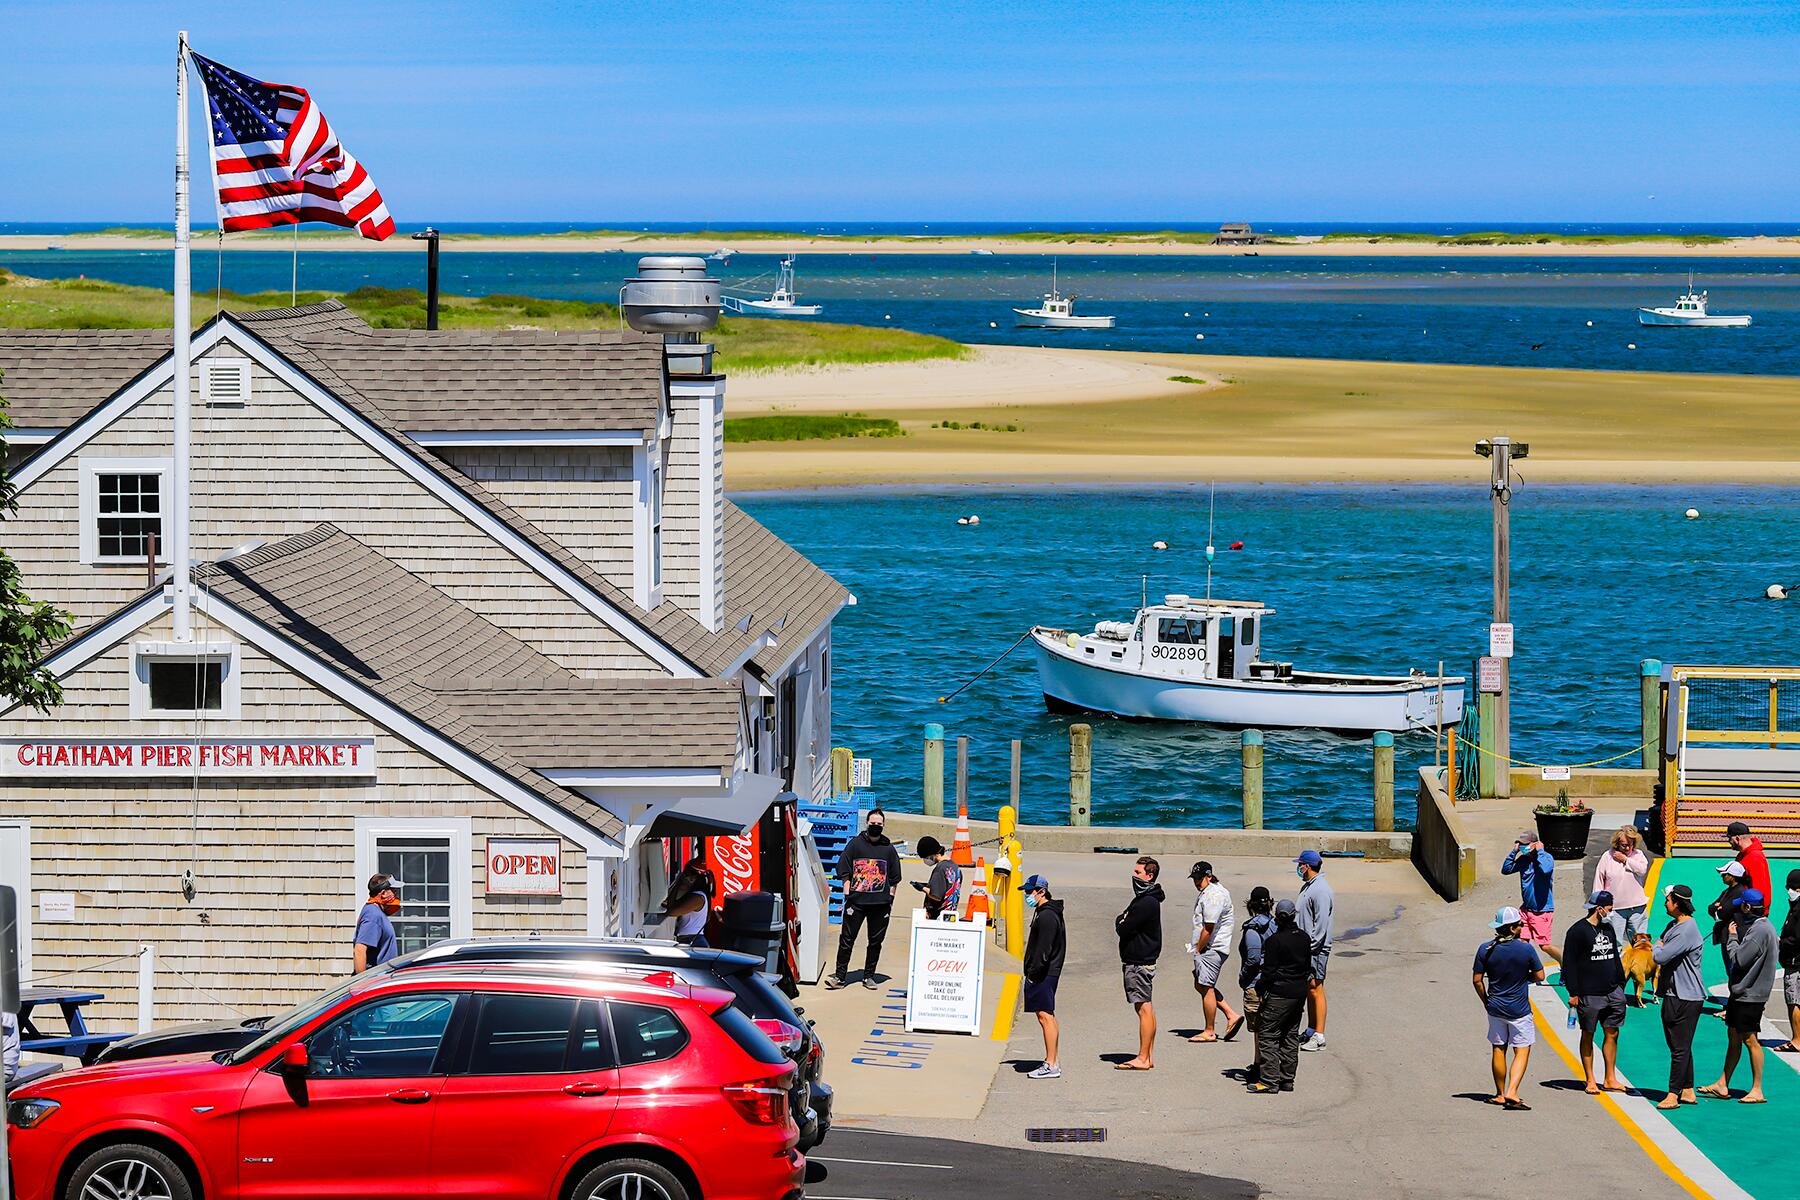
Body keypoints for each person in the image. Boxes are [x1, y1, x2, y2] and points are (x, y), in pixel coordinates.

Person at [1701, 888, 1777, 1103]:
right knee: (1733, 1036)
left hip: (1750, 995)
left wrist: (1732, 937)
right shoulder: (1760, 927)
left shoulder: (1759, 931)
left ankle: (1757, 1089)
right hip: (1742, 991)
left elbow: (1739, 959)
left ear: (1747, 907)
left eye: (1740, 905)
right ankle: (1722, 1083)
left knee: (1750, 1039)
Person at [1473, 906, 1547, 1111]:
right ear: (1513, 928)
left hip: (1495, 1007)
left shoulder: (1485, 949)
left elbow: (1477, 980)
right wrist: (1525, 977)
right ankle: (1512, 1092)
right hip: (1519, 1009)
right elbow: (1540, 976)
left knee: (1498, 1048)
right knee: (1521, 1050)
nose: (1522, 927)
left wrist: (1486, 1000)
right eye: (1520, 925)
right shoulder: (1525, 949)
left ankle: (1499, 1094)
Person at [826, 808, 903, 990]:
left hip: (880, 905)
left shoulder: (889, 848)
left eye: (879, 824)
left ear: (883, 826)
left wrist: (890, 899)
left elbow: (895, 877)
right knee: (846, 940)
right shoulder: (856, 844)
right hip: (857, 903)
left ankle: (869, 976)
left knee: (875, 942)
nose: (875, 826)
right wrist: (848, 892)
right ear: (866, 823)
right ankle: (840, 976)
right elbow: (843, 868)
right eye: (872, 823)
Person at [1562, 890, 1627, 1094]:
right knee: (1588, 1034)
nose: (1612, 910)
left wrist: (1620, 983)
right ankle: (1590, 1079)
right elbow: (1569, 964)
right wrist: (1573, 992)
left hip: (1612, 992)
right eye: (1609, 907)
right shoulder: (1577, 931)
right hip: (1589, 993)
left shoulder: (1608, 928)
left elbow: (1615, 955)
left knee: (1612, 1032)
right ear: (1598, 909)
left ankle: (1610, 1078)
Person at [1247, 899, 1313, 1095]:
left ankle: (1269, 1080)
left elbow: (1268, 972)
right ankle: (1287, 1079)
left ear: (1277, 917)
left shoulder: (1274, 941)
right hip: (1299, 993)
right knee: (1290, 1035)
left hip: (1279, 994)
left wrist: (1259, 988)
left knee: (1268, 1034)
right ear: (1294, 915)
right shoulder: (1304, 938)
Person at [1652, 883, 1705, 1110]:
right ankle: (1688, 1090)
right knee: (1681, 1045)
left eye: (1668, 899)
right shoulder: (1675, 925)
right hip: (1678, 993)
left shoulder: (1685, 931)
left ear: (1677, 903)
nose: (1665, 903)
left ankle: (1673, 1094)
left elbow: (1661, 956)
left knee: (1679, 1047)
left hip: (1684, 997)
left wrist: (1656, 946)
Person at [1114, 855, 1165, 1071]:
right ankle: (1148, 1054)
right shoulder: (1147, 899)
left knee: (1143, 1008)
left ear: (1149, 875)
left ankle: (1143, 1057)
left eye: (1138, 873)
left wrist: (1121, 920)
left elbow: (1123, 926)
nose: (1134, 876)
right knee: (1147, 1008)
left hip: (1138, 962)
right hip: (1143, 960)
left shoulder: (1146, 902)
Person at [1187, 861, 1244, 1043]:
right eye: (1194, 878)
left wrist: (1197, 949)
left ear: (1209, 876)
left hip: (1212, 947)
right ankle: (1231, 1014)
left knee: (1207, 986)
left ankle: (1209, 1031)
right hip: (1209, 947)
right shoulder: (1210, 891)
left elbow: (1209, 928)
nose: (1197, 882)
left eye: (1199, 878)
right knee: (1201, 984)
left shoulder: (1213, 895)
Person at [1021, 873, 1065, 1080]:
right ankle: (1052, 1060)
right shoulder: (1043, 912)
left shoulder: (1047, 916)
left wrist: (1033, 973)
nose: (1027, 895)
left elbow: (1044, 950)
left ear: (1041, 892)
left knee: (1045, 1016)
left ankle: (1051, 1064)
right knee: (1048, 1015)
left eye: (1030, 892)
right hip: (1046, 972)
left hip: (1043, 974)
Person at [1295, 850, 1335, 1050]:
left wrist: (1308, 947)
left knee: (1316, 988)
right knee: (1309, 988)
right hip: (1306, 948)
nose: (1299, 868)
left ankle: (1319, 1035)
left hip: (1315, 949)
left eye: (1300, 864)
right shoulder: (1309, 887)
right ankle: (1310, 1030)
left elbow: (1320, 926)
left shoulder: (1320, 890)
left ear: (1307, 866)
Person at [1501, 831, 1560, 964]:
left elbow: (1546, 869)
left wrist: (1540, 852)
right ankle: (1524, 969)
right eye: (1520, 844)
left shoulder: (1547, 858)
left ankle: (1564, 964)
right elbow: (1506, 869)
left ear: (1535, 844)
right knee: (1522, 942)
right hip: (1526, 910)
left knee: (1544, 946)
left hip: (1542, 911)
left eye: (1525, 845)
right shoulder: (1523, 860)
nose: (1522, 847)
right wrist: (1514, 852)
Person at [1237, 886, 1276, 1084]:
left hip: (1256, 984)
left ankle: (1260, 1066)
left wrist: (1243, 977)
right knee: (1267, 1027)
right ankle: (1260, 1063)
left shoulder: (1253, 930)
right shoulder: (1275, 925)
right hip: (1272, 982)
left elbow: (1252, 959)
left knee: (1259, 1028)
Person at [1594, 826, 1650, 944]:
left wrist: (1625, 859)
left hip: (1637, 907)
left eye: (1631, 844)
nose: (1628, 848)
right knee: (1615, 943)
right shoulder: (1607, 856)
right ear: (1617, 844)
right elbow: (1599, 880)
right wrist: (1598, 903)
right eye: (1624, 845)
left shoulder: (1638, 854)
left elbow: (1642, 870)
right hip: (1615, 908)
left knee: (1640, 943)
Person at [663, 850, 714, 946]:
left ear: (694, 878)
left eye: (686, 874)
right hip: (690, 939)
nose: (685, 877)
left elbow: (671, 911)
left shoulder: (697, 897)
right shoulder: (698, 895)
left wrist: (678, 883)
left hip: (693, 941)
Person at [353, 873, 401, 973]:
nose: (396, 893)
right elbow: (359, 951)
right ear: (383, 893)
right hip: (375, 981)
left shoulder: (377, 912)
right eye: (393, 890)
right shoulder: (373, 914)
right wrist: (362, 983)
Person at [1708, 860, 1748, 975]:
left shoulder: (1739, 892)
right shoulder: (1727, 891)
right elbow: (1711, 908)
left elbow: (1722, 914)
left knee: (1733, 969)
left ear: (1733, 876)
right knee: (1730, 970)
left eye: (1724, 874)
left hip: (1733, 936)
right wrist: (1715, 908)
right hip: (1726, 936)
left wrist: (1717, 909)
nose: (1722, 876)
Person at [910, 835, 963, 920]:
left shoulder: (940, 869)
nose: (926, 860)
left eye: (926, 857)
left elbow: (936, 896)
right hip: (949, 916)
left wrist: (921, 887)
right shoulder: (955, 867)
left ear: (932, 855)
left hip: (937, 918)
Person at [1778, 869, 1800, 1054]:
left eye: (1792, 888)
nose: (1789, 891)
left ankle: (1797, 1040)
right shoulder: (1795, 906)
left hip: (1796, 962)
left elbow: (1796, 938)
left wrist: (1781, 942)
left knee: (1793, 1000)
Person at [1726, 820, 1772, 903]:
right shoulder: (1742, 855)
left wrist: (1755, 910)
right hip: (1744, 907)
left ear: (1737, 838)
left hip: (1752, 909)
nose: (1729, 842)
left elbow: (1759, 888)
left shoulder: (1755, 857)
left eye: (1729, 838)